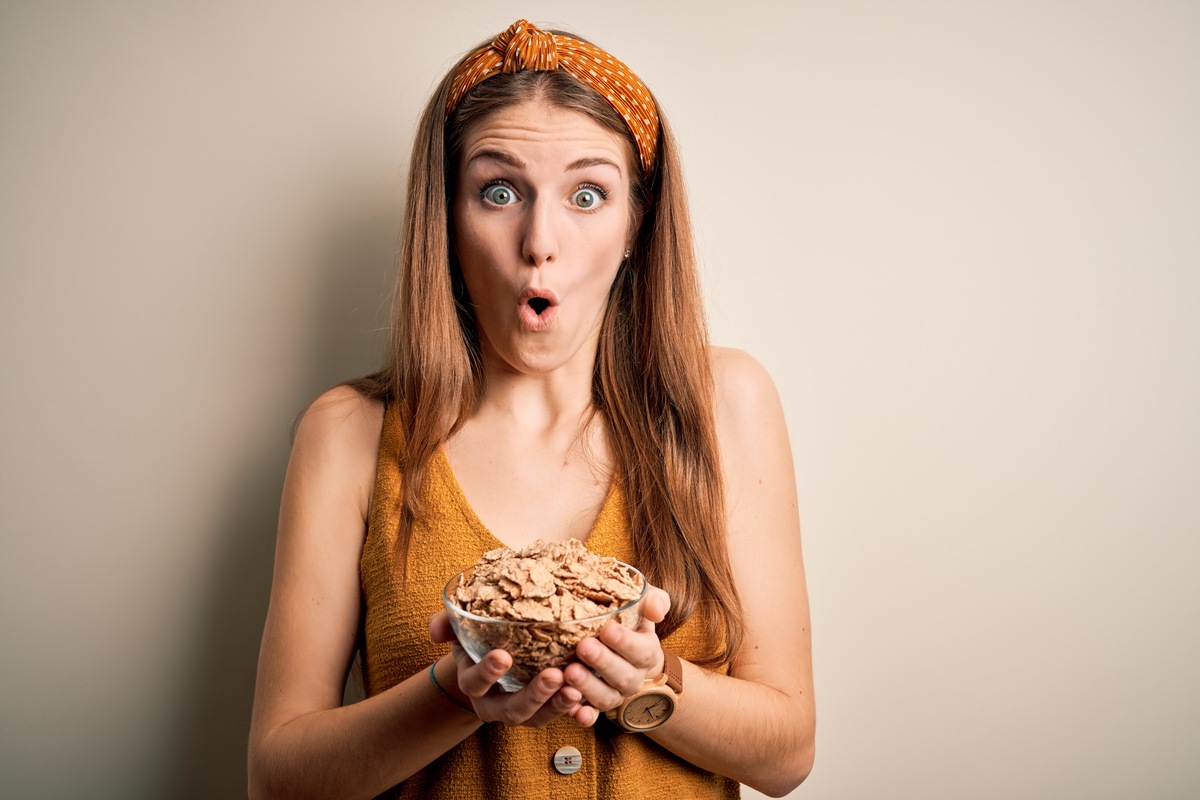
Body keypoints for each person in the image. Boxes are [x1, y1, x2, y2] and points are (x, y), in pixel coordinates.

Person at [248, 19, 814, 800]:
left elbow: (786, 754)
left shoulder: (725, 404)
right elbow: (278, 778)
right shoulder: (347, 435)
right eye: (499, 191)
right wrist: (453, 693)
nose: (539, 240)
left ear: (635, 225)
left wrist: (657, 681)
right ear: (447, 219)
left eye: (587, 195)